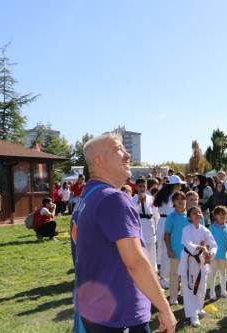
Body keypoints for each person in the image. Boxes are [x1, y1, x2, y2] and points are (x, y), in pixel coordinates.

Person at [72, 132, 176, 333]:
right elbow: (135, 262)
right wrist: (164, 308)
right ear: (99, 160)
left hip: (95, 313)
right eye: (118, 149)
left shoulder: (86, 198)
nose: (127, 155)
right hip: (120, 316)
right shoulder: (112, 199)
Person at [180, 206, 217, 327]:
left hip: (201, 260)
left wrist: (210, 253)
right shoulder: (186, 229)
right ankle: (192, 315)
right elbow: (188, 243)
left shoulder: (204, 230)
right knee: (190, 287)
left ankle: (199, 307)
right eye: (194, 213)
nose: (197, 214)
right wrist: (201, 247)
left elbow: (213, 244)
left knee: (202, 285)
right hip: (189, 260)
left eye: (199, 213)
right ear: (189, 217)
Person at [154, 175, 183, 289]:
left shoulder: (163, 194)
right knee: (168, 250)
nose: (180, 186)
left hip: (162, 222)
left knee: (164, 250)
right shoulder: (172, 197)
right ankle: (164, 278)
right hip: (168, 222)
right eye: (178, 184)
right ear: (174, 185)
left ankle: (166, 277)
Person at [164, 192, 189, 305]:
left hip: (189, 252)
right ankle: (173, 297)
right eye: (178, 199)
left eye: (183, 198)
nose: (181, 201)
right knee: (174, 275)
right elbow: (167, 235)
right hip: (175, 251)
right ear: (173, 202)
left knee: (187, 274)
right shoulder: (171, 217)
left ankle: (186, 294)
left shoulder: (191, 215)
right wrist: (169, 249)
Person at [132, 178, 158, 270]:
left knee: (151, 249)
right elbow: (132, 213)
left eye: (144, 186)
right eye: (140, 186)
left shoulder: (151, 198)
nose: (142, 188)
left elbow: (155, 214)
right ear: (136, 187)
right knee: (141, 249)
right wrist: (138, 201)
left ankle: (152, 269)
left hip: (150, 224)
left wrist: (157, 228)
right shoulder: (132, 199)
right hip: (140, 225)